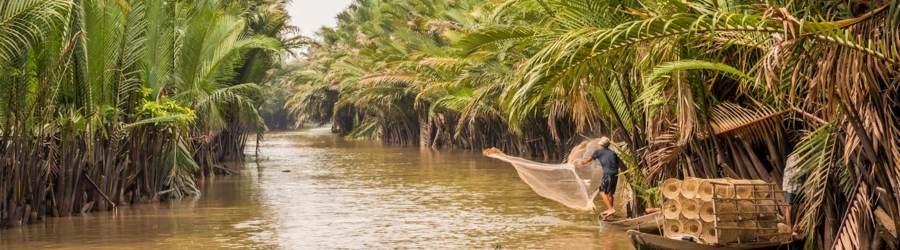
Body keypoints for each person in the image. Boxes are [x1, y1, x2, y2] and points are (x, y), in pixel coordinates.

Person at [575, 137, 621, 219]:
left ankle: (610, 209)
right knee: (610, 193)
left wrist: (582, 163)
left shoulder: (599, 152)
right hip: (615, 174)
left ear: (601, 145)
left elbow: (589, 159)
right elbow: (618, 164)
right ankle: (611, 212)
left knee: (601, 192)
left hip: (608, 174)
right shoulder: (613, 153)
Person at [783, 154, 802, 239]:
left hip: (798, 186)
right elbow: (795, 172)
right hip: (789, 186)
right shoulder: (793, 157)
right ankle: (789, 229)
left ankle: (796, 225)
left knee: (802, 204)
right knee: (789, 206)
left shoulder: (804, 157)